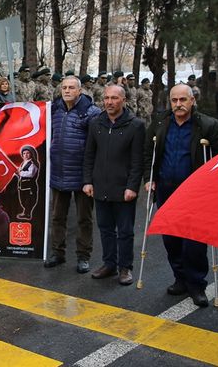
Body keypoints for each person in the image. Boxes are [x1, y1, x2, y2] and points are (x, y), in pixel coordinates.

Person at [144, 84, 218, 306]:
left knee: (194, 240)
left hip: (195, 191)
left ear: (193, 100)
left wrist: (214, 183)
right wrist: (148, 178)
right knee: (170, 237)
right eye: (174, 100)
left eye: (183, 100)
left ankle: (196, 284)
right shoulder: (161, 123)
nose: (178, 104)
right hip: (166, 188)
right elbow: (148, 152)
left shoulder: (208, 125)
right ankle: (180, 278)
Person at [82, 84, 145, 285]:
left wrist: (132, 186)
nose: (109, 102)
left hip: (123, 189)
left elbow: (138, 161)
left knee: (125, 231)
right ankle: (109, 264)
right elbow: (89, 155)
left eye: (114, 98)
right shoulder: (95, 123)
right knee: (105, 228)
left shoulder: (135, 125)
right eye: (107, 98)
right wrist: (87, 181)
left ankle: (125, 268)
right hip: (100, 187)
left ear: (123, 100)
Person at [45, 75, 102, 273]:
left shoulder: (91, 112)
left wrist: (92, 176)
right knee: (57, 217)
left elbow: (97, 145)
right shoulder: (54, 109)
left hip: (82, 176)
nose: (67, 91)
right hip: (58, 173)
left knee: (83, 219)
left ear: (79, 90)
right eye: (64, 88)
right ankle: (57, 253)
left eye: (71, 88)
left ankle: (83, 256)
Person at [15, 146, 40, 220]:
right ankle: (25, 212)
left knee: (28, 200)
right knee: (23, 200)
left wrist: (20, 173)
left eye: (28, 153)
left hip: (29, 186)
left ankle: (27, 213)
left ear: (31, 154)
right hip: (22, 186)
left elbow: (30, 174)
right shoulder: (23, 163)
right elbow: (21, 173)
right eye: (24, 153)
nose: (25, 155)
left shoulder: (33, 163)